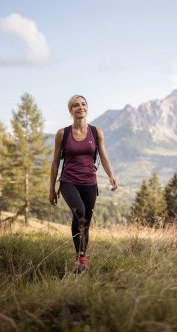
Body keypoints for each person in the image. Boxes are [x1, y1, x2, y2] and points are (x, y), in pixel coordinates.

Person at [49, 94, 118, 273]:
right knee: (80, 212)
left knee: (85, 220)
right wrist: (51, 189)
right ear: (70, 110)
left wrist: (111, 175)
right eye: (76, 105)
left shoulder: (96, 132)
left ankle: (82, 257)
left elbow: (103, 155)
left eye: (83, 104)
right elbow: (56, 162)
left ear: (87, 108)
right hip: (68, 181)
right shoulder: (62, 134)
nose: (81, 107)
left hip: (89, 182)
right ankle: (80, 257)